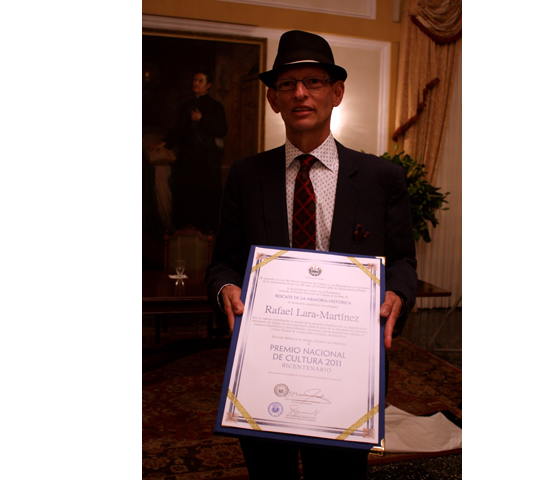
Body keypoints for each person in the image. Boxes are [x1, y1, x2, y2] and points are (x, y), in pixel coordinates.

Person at [205, 30, 418, 480]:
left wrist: (398, 293)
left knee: (338, 476)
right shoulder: (245, 176)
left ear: (336, 92)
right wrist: (225, 286)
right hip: (265, 369)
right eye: (287, 84)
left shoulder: (382, 178)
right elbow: (222, 261)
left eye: (314, 81)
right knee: (269, 475)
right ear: (272, 99)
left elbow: (402, 262)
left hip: (344, 372)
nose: (300, 93)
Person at [164, 70, 228, 232]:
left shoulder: (215, 106)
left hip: (206, 160)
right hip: (186, 159)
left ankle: (206, 231)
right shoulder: (186, 106)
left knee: (205, 195)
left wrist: (201, 120)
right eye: (195, 80)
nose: (195, 83)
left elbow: (221, 130)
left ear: (208, 85)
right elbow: (179, 130)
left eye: (200, 81)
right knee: (184, 192)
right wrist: (165, 142)